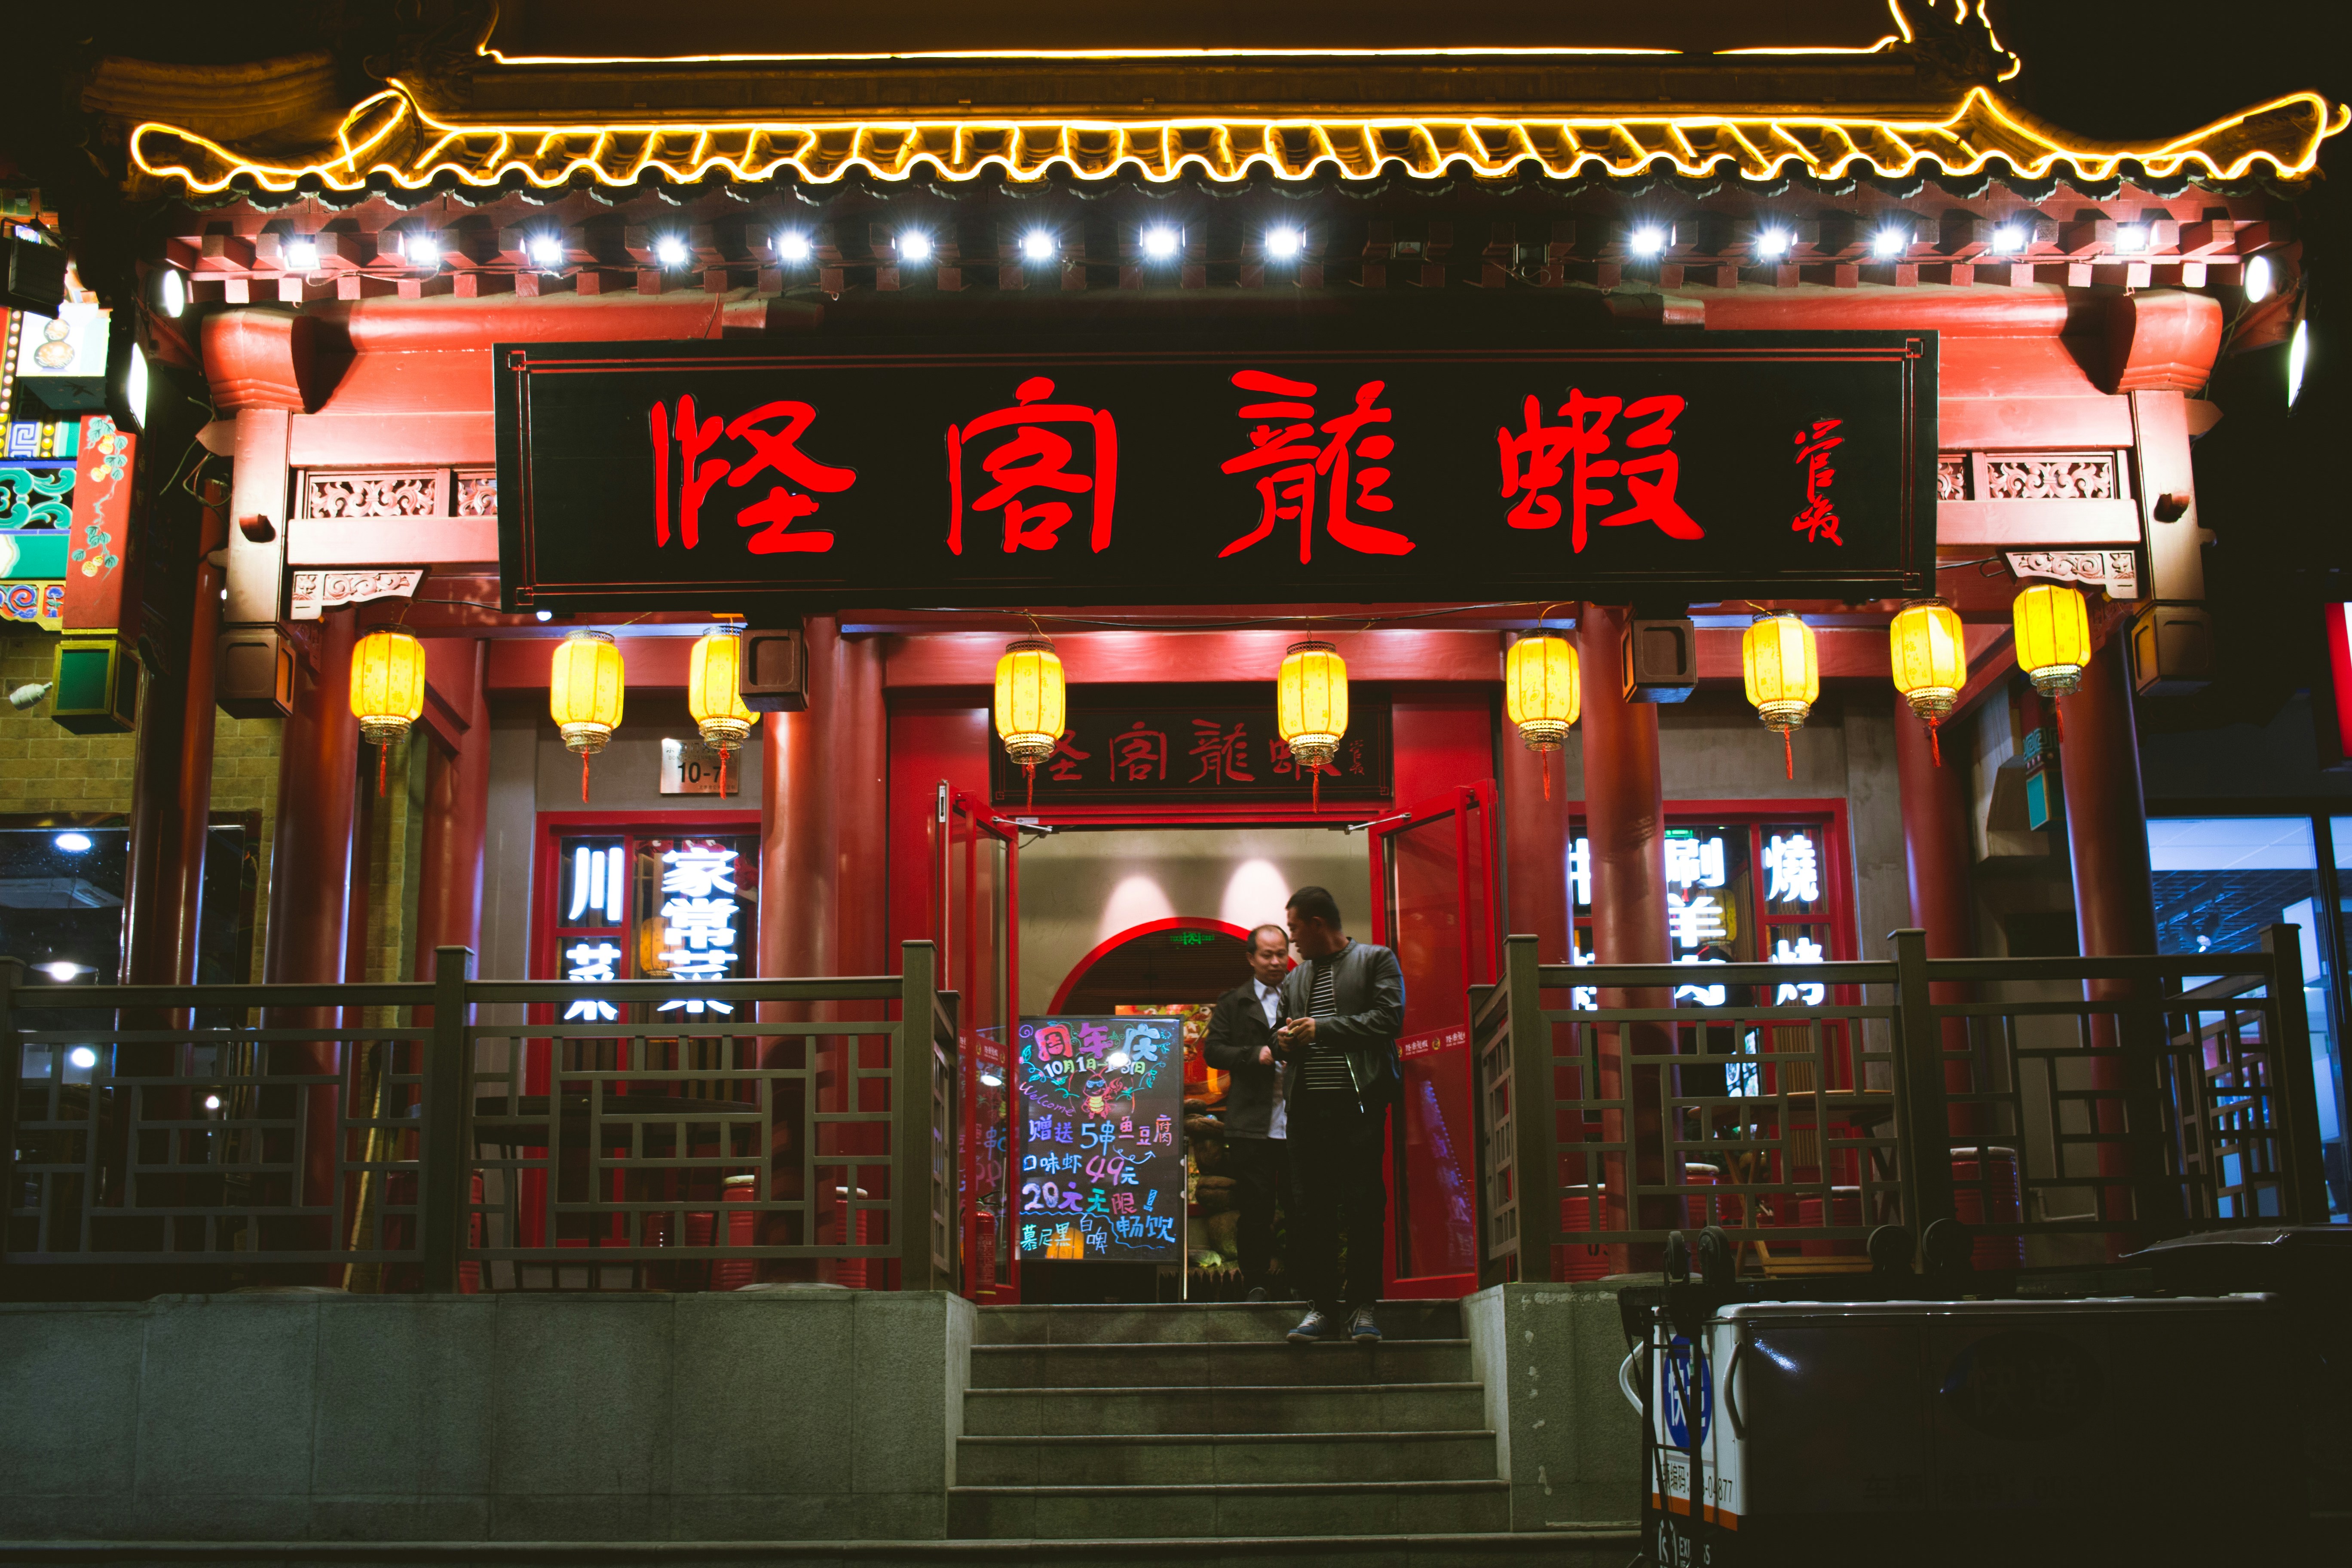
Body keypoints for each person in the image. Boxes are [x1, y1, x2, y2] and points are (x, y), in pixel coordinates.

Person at [1273, 885, 1405, 1346]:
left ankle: (1364, 1307)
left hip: (1360, 1106)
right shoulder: (1295, 978)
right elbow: (1279, 1032)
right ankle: (1321, 1308)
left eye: (1294, 930)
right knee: (1312, 1212)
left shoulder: (1376, 960)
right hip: (1308, 1109)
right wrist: (1280, 1041)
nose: (1293, 942)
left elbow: (1390, 1019)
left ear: (1317, 925)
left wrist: (1323, 1029)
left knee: (1365, 1206)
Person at [1201, 923, 1293, 1302]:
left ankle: (1300, 1283)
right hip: (1251, 1125)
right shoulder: (1232, 1003)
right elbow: (1213, 1052)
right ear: (1251, 959)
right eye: (1267, 955)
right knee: (1255, 1211)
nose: (1276, 962)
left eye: (1281, 954)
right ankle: (1255, 1283)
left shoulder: (1301, 994)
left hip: (1298, 1120)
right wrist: (1256, 1055)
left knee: (1301, 1207)